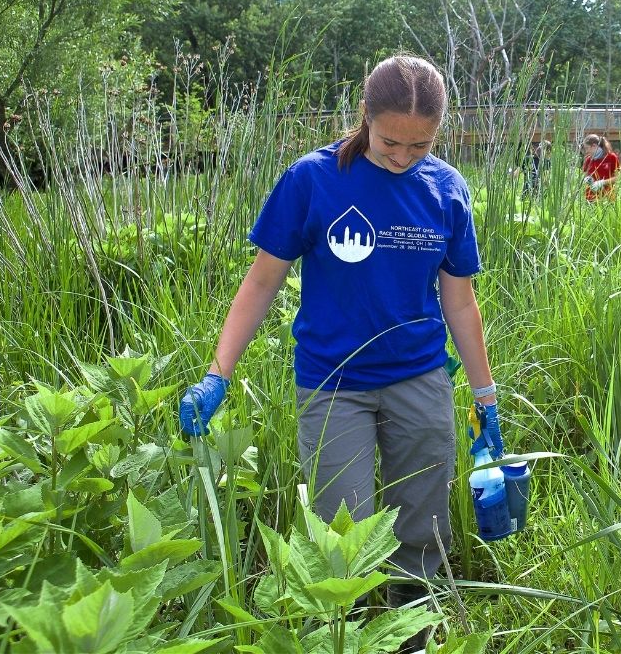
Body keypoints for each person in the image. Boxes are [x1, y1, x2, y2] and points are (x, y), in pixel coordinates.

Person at [177, 54, 505, 619]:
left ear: (439, 132)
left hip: (420, 378)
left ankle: (411, 624)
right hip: (333, 384)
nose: (402, 158)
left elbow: (459, 300)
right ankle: (343, 629)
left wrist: (485, 396)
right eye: (389, 144)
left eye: (419, 146)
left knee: (422, 522)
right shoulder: (313, 179)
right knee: (341, 530)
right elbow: (261, 283)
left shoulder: (446, 189)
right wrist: (217, 374)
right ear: (364, 117)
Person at [580, 133, 620, 200]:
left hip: (607, 197)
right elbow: (585, 175)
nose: (586, 151)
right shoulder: (588, 160)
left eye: (587, 148)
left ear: (594, 146)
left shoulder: (611, 157)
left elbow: (618, 178)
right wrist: (587, 179)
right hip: (591, 197)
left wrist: (602, 182)